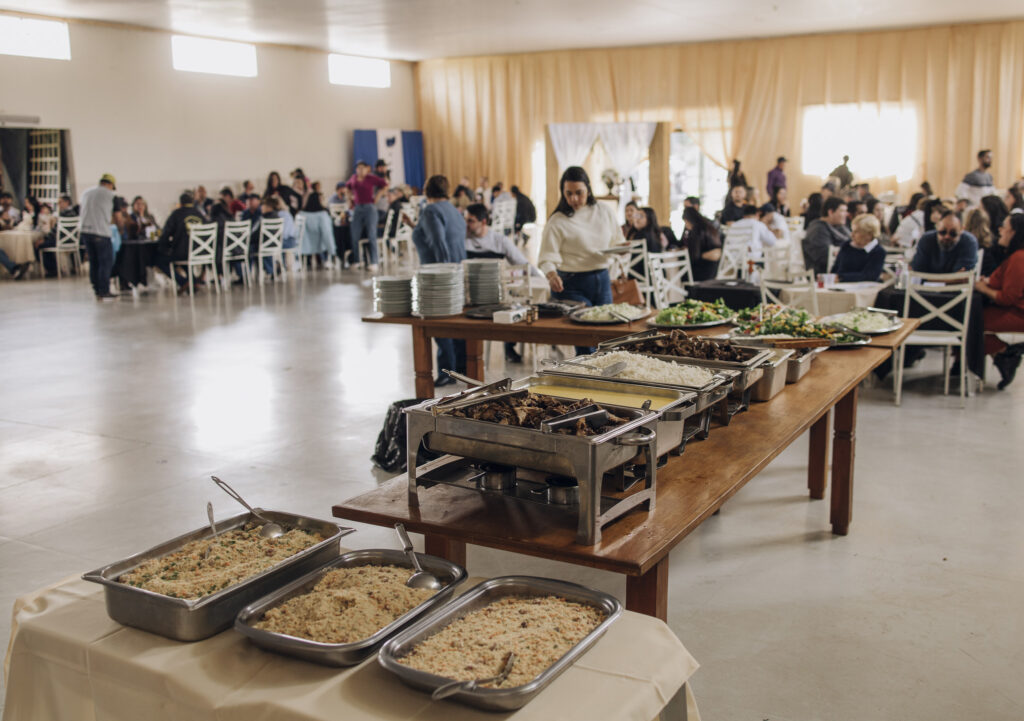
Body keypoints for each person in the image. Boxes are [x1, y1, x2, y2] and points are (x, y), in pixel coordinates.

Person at [538, 166, 620, 355]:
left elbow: (618, 240)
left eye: (579, 193)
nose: (574, 199)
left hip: (602, 278)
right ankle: (585, 382)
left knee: (608, 339)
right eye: (569, 194)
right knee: (586, 342)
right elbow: (546, 256)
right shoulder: (557, 220)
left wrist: (622, 250)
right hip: (571, 283)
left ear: (588, 190)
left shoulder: (604, 211)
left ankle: (605, 382)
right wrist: (551, 274)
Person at [464, 202, 541, 363]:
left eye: (470, 221)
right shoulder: (463, 240)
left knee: (514, 305)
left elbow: (521, 263)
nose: (466, 225)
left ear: (483, 222)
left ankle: (509, 348)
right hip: (470, 295)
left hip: (496, 294)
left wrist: (542, 279)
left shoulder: (499, 240)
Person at [411, 174, 467, 384]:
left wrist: (445, 276)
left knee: (439, 323)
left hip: (440, 275)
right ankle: (461, 366)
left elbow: (438, 243)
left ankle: (447, 371)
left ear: (427, 190)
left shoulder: (430, 210)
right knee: (456, 322)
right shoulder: (453, 210)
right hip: (458, 269)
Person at [974, 214, 1024, 388]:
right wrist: (988, 282)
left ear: (1014, 233)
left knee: (969, 322)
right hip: (1012, 309)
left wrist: (983, 288)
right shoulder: (1016, 257)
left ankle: (1004, 352)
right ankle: (1003, 355)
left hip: (1017, 314)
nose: (1000, 230)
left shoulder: (1019, 258)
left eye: (1004, 227)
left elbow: (1007, 297)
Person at [80, 173, 118, 300]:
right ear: (110, 185)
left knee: (93, 261)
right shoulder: (111, 195)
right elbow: (117, 217)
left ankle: (96, 288)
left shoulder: (86, 193)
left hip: (85, 231)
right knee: (105, 262)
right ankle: (104, 290)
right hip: (101, 232)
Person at [156, 191, 204, 289]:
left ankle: (183, 282)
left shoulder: (176, 214)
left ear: (180, 203)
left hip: (183, 253)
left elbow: (165, 234)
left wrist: (163, 246)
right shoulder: (199, 214)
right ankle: (193, 281)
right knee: (183, 257)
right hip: (201, 252)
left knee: (159, 260)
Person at [345, 161, 388, 272]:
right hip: (358, 208)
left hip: (369, 207)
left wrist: (377, 197)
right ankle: (357, 260)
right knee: (354, 234)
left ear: (367, 169)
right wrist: (350, 198)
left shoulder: (371, 178)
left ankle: (374, 262)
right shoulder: (353, 178)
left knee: (371, 234)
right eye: (358, 168)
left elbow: (384, 185)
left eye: (362, 168)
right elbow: (347, 188)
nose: (360, 170)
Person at [910, 209, 978, 274]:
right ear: (937, 227)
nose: (947, 236)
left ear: (961, 230)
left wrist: (927, 279)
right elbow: (917, 271)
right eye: (943, 232)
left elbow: (962, 277)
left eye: (953, 233)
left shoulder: (969, 242)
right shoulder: (926, 239)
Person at [802, 197, 850, 275]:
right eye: (842, 211)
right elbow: (825, 257)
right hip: (825, 274)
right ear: (830, 212)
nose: (846, 214)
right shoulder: (818, 229)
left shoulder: (839, 226)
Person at [832, 214, 886, 282]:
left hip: (866, 289)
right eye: (852, 230)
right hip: (840, 287)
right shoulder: (846, 246)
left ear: (869, 235)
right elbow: (835, 271)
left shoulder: (879, 252)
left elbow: (870, 276)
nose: (852, 235)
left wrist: (841, 277)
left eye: (856, 232)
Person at [681, 205, 722, 281]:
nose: (686, 226)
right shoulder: (710, 227)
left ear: (689, 220)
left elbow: (694, 256)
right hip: (714, 270)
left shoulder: (696, 230)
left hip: (703, 271)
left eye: (686, 222)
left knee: (682, 274)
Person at [299, 191, 336, 267]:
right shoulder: (323, 214)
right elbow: (327, 233)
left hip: (305, 243)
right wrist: (332, 251)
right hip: (321, 243)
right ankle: (327, 260)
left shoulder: (301, 214)